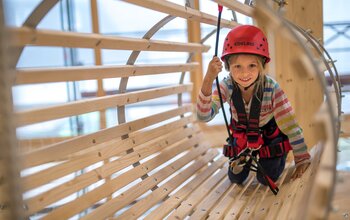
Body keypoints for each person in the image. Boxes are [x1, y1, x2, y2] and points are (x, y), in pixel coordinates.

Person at [196, 25, 311, 186]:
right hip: (242, 136)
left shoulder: (271, 88)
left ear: (261, 65)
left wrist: (301, 159)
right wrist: (209, 78)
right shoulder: (226, 86)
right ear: (228, 67)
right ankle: (247, 157)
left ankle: (277, 156)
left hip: (269, 136)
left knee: (265, 179)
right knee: (236, 178)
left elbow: (291, 126)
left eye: (252, 65)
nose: (244, 73)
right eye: (238, 66)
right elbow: (203, 115)